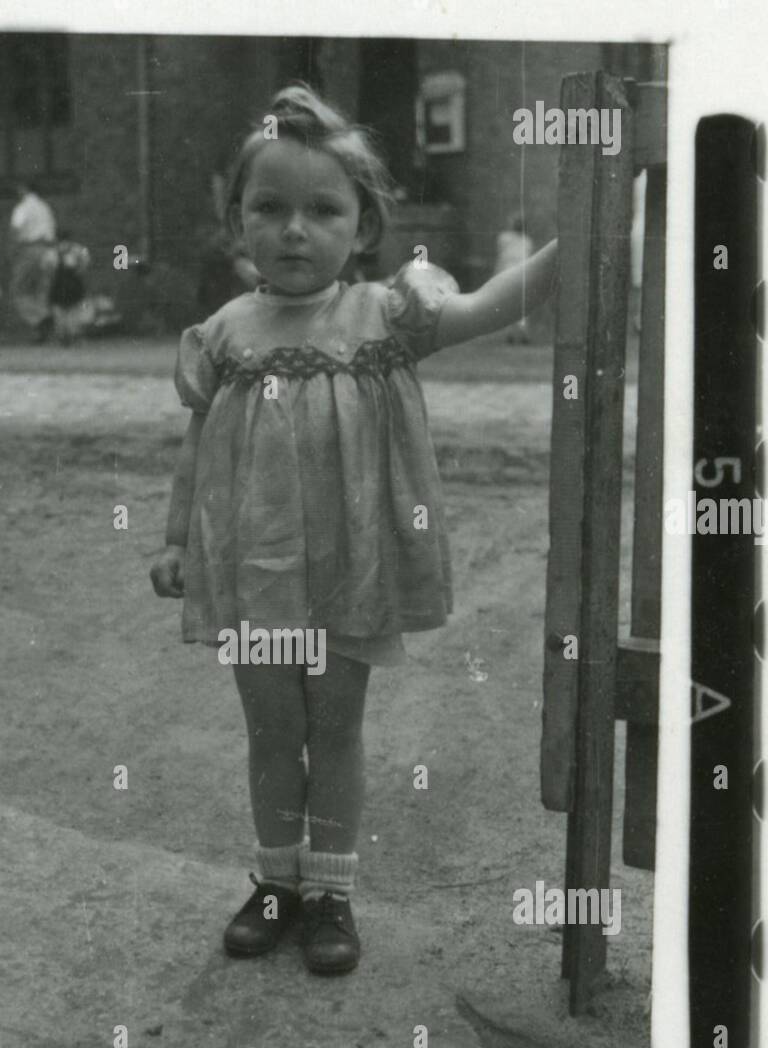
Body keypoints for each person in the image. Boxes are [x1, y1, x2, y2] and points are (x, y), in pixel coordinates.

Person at [150, 84, 557, 975]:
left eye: (322, 210)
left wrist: (581, 237)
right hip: (256, 572)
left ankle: (331, 890)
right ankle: (274, 884)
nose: (295, 230)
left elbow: (491, 305)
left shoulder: (383, 316)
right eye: (270, 208)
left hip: (351, 569)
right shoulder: (223, 335)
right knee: (268, 730)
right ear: (237, 222)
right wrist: (178, 538)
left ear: (363, 227)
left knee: (333, 726)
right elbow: (197, 445)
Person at [9, 181, 57, 340]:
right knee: (41, 289)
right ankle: (41, 329)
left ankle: (40, 318)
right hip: (47, 249)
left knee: (19, 289)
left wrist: (13, 249)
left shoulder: (23, 207)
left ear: (24, 189)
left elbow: (16, 228)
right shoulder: (45, 208)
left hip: (29, 249)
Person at [493, 212, 536, 344]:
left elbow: (501, 257)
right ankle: (521, 334)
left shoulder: (504, 238)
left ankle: (513, 334)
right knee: (521, 305)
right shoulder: (527, 240)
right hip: (521, 273)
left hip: (509, 272)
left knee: (509, 303)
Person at [49, 230, 91, 344]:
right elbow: (85, 262)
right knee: (73, 309)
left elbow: (48, 267)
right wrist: (79, 272)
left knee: (61, 309)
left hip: (60, 282)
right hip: (72, 281)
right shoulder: (79, 249)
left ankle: (64, 334)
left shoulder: (53, 252)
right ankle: (72, 334)